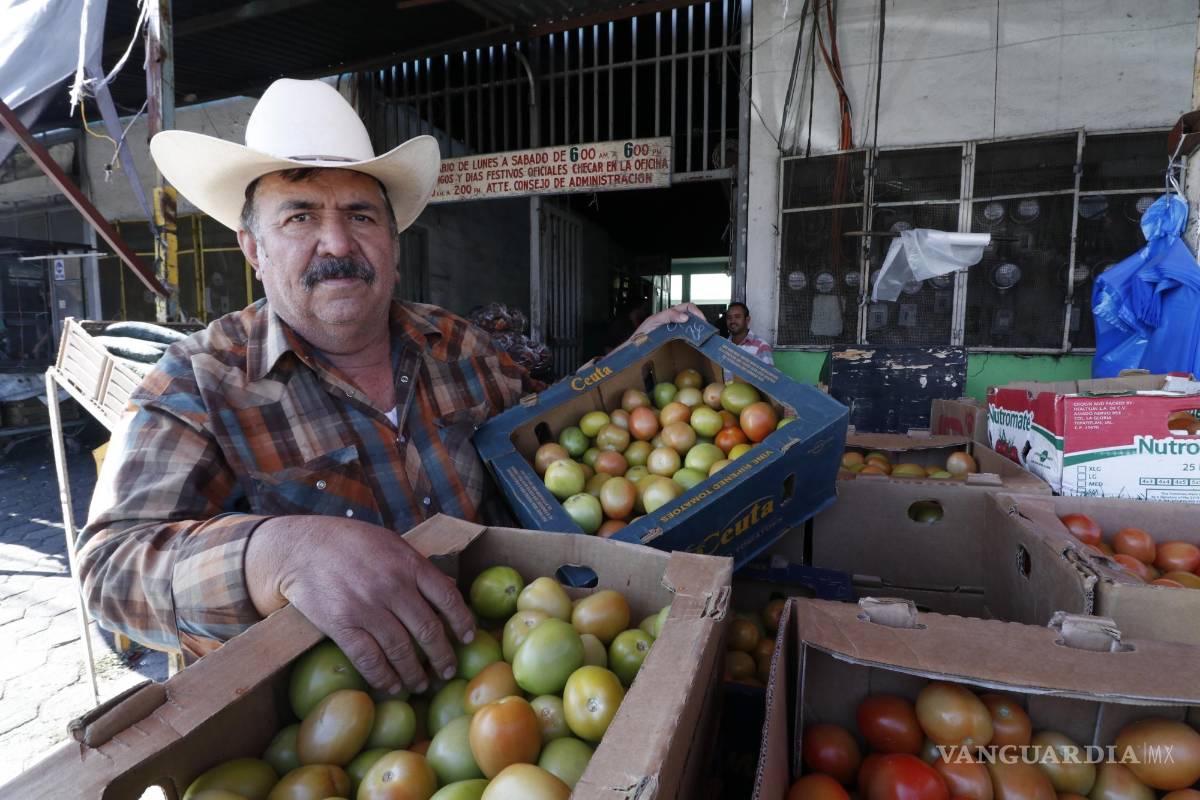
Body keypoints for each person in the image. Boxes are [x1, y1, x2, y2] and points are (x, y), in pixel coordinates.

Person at [78, 78, 701, 696]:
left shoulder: (458, 345)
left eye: (360, 214)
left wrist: (624, 365)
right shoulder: (198, 381)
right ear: (253, 248)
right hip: (328, 733)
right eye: (299, 216)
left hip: (500, 684)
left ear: (392, 242)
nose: (338, 243)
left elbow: (550, 424)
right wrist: (273, 553)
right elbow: (110, 569)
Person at [723, 302, 773, 378]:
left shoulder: (761, 346)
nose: (732, 321)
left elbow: (770, 380)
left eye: (737, 317)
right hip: (726, 390)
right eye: (729, 318)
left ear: (747, 320)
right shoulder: (723, 345)